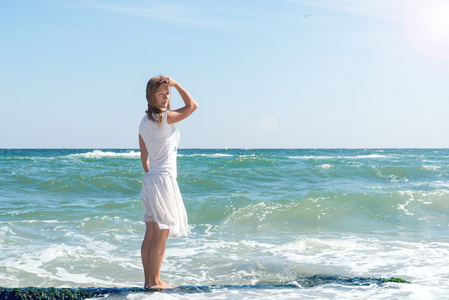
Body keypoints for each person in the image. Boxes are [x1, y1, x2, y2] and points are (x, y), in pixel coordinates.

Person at [138, 75, 198, 289]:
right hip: (163, 179)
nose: (165, 97)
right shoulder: (164, 117)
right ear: (151, 96)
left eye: (167, 93)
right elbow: (192, 106)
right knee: (161, 233)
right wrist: (177, 84)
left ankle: (148, 281)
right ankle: (155, 282)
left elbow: (144, 158)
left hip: (151, 179)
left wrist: (152, 176)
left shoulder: (144, 122)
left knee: (151, 231)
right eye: (161, 93)